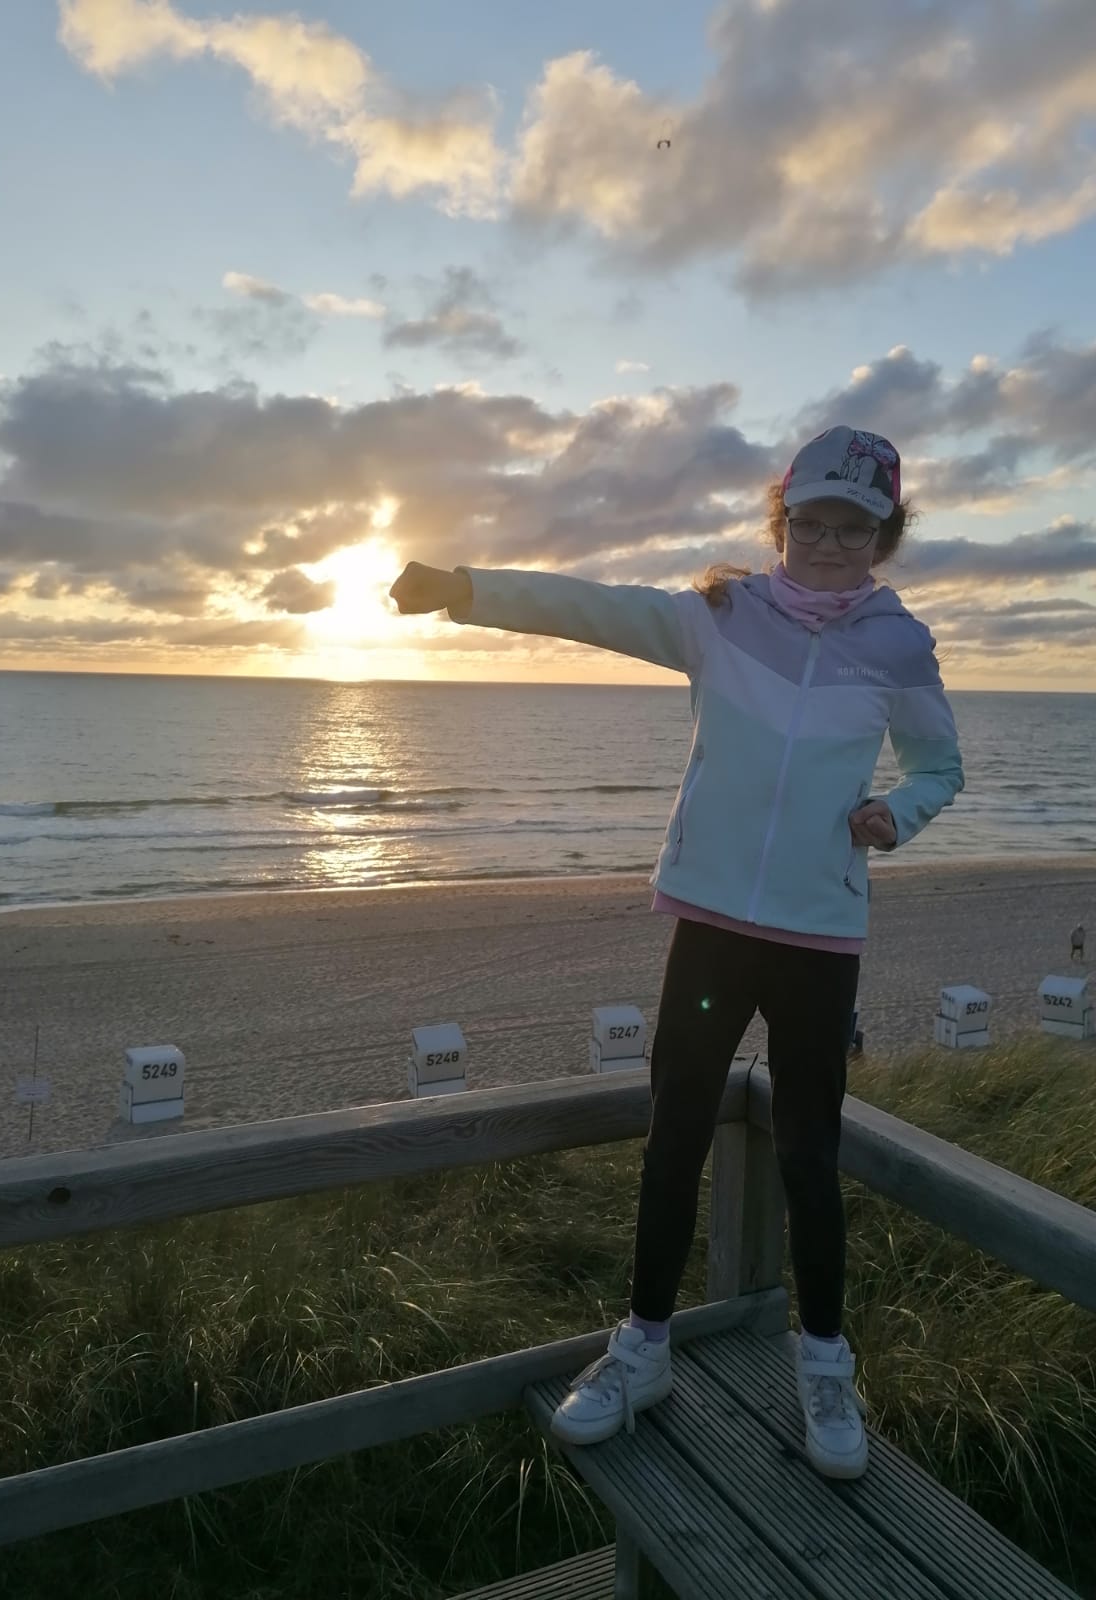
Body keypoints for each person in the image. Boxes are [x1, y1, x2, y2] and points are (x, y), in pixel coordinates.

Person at [388, 425, 964, 1481]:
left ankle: (824, 1368)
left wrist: (899, 812)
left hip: (819, 935)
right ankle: (642, 1348)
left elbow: (940, 765)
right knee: (674, 1139)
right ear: (782, 521)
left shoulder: (899, 645)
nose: (831, 544)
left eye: (856, 528)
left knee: (809, 1154)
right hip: (709, 927)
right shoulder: (720, 616)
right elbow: (592, 607)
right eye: (813, 522)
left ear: (884, 537)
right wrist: (465, 588)